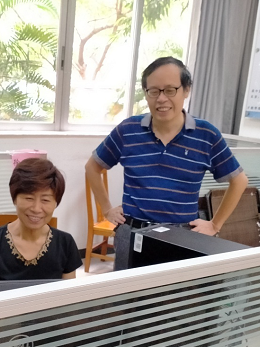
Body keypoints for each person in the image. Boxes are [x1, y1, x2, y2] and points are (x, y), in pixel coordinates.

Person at [85, 56, 248, 269]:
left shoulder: (206, 135)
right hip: (132, 232)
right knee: (126, 290)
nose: (161, 99)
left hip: (182, 235)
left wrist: (215, 224)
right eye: (154, 91)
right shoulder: (128, 130)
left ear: (186, 90)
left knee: (176, 290)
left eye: (170, 90)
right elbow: (92, 167)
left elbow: (239, 181)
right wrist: (107, 209)